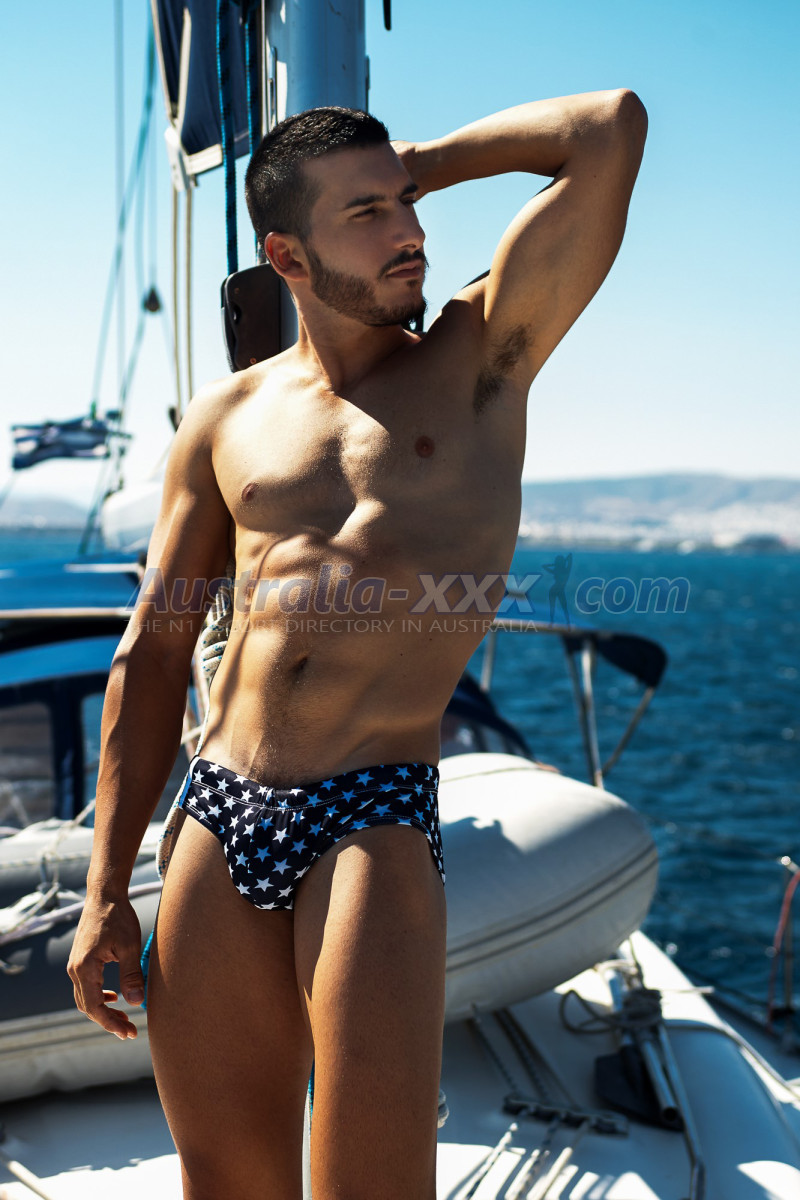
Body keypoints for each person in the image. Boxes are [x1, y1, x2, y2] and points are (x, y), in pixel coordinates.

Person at [68, 94, 647, 1199]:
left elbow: (608, 129)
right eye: (367, 214)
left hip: (369, 815)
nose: (409, 232)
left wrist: (414, 162)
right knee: (225, 1180)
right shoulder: (225, 419)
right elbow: (154, 650)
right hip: (219, 810)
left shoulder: (480, 358)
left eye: (407, 205)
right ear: (286, 255)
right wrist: (105, 890)